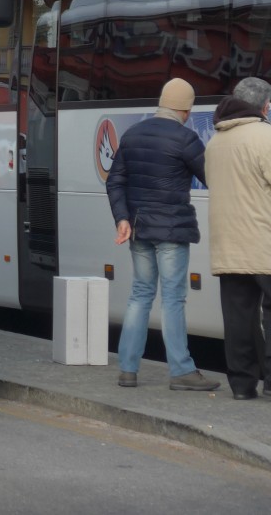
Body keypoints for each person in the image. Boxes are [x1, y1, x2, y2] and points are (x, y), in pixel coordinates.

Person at [106, 77, 219, 391]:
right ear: (185, 109)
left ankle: (128, 369)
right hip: (170, 230)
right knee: (172, 299)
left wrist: (122, 218)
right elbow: (211, 176)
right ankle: (181, 370)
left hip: (139, 229)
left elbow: (114, 181)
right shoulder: (185, 138)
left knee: (140, 295)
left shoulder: (133, 134)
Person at [203, 76, 271, 400]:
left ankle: (243, 385)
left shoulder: (215, 142)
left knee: (238, 316)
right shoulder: (265, 137)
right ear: (264, 105)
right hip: (263, 240)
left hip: (227, 243)